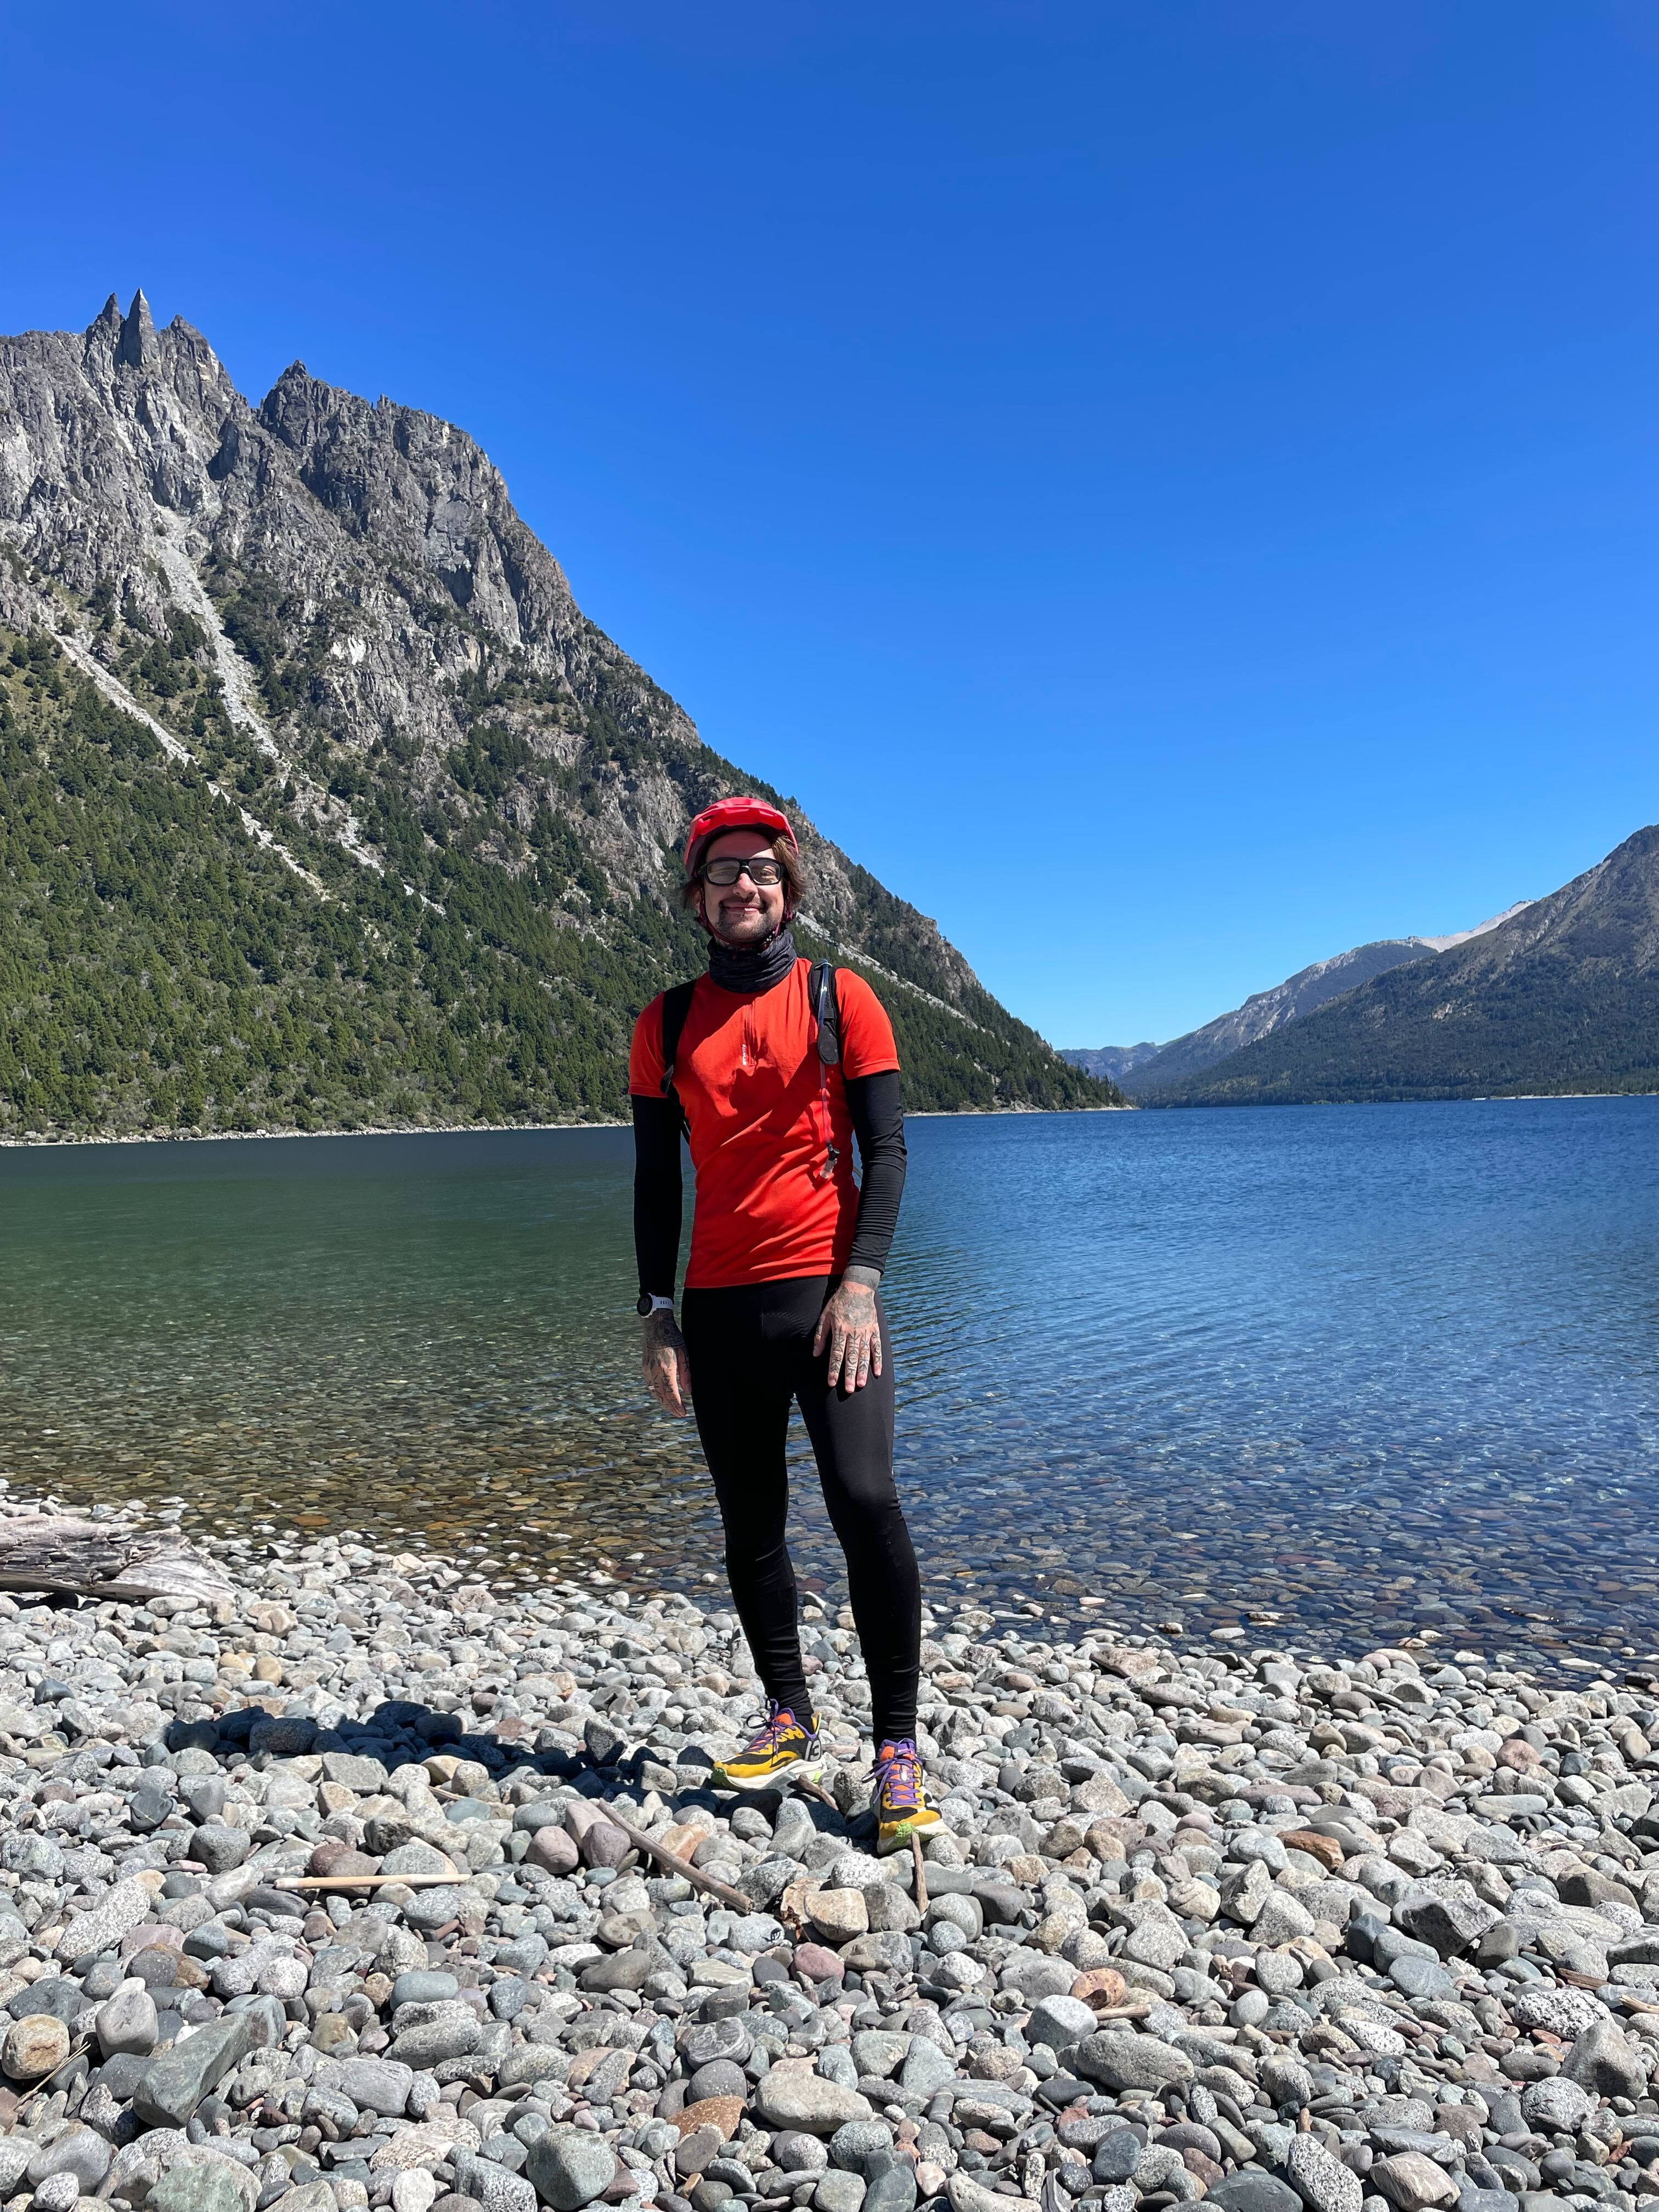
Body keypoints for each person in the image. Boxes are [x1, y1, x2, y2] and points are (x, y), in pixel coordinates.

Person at [628, 795, 939, 1853]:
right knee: (751, 1522)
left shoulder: (843, 998)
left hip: (828, 1300)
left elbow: (888, 1153)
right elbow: (653, 1179)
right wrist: (656, 1311)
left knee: (863, 1496)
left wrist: (863, 1283)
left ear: (787, 887)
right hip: (718, 1305)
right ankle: (790, 1716)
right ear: (697, 896)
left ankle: (896, 1750)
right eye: (722, 873)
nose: (743, 886)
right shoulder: (665, 1024)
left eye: (760, 869)